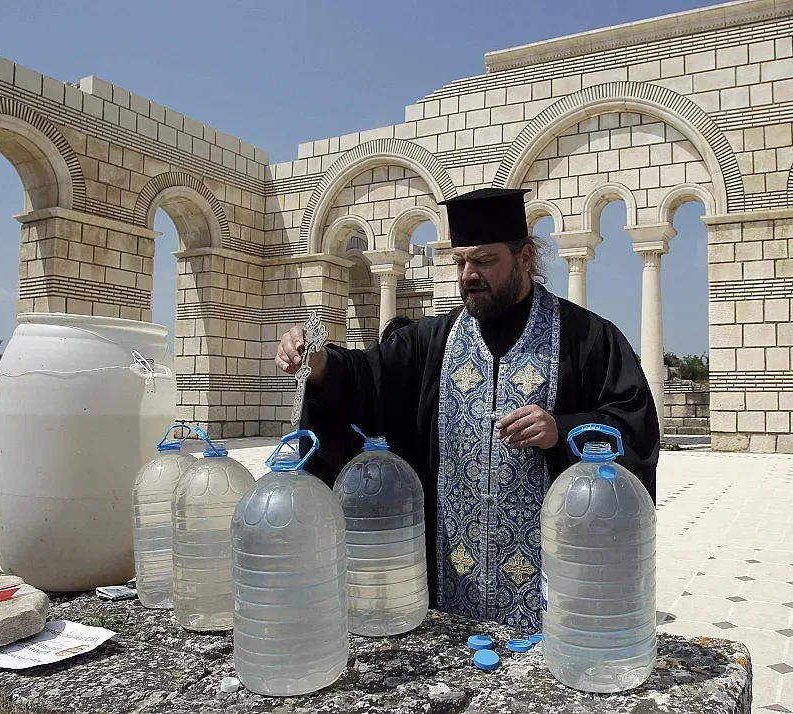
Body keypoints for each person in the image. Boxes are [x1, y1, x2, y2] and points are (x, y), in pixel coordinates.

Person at [276, 187, 659, 633]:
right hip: (451, 579)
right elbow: (365, 378)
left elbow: (633, 425)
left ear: (526, 258)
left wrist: (563, 430)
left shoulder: (588, 338)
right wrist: (321, 363)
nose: (469, 275)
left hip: (557, 592)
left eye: (484, 261)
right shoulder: (431, 342)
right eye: (460, 262)